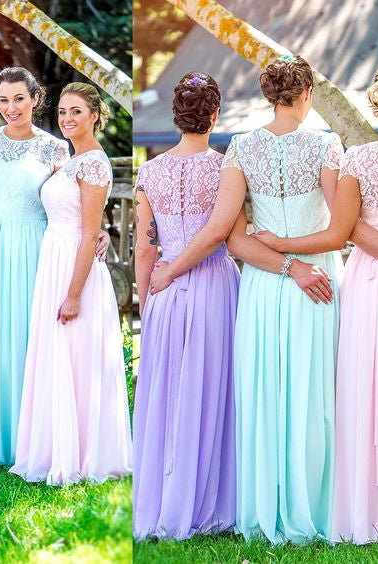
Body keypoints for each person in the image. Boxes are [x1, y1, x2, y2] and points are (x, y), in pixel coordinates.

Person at [256, 67, 378, 544]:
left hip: (367, 283)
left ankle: (367, 510)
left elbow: (341, 233)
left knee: (364, 393)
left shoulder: (357, 160)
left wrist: (280, 243)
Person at [0, 67, 108, 470]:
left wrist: (99, 232)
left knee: (30, 338)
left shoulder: (55, 148)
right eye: (3, 100)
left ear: (35, 99)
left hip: (35, 248)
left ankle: (31, 440)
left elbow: (72, 202)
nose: (11, 108)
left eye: (19, 99)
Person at [133, 73, 239, 539]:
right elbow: (221, 236)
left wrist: (147, 304)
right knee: (212, 390)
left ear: (176, 117)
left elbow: (144, 248)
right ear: (214, 116)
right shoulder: (226, 169)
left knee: (169, 395)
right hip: (214, 285)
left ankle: (166, 496)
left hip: (163, 290)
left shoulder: (150, 172)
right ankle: (210, 499)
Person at [9, 83, 132, 485]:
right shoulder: (72, 160)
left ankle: (81, 453)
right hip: (55, 259)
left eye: (76, 111)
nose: (67, 119)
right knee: (58, 355)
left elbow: (89, 231)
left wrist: (74, 294)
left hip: (75, 269)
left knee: (76, 355)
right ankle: (53, 445)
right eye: (62, 112)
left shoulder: (94, 163)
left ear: (95, 115)